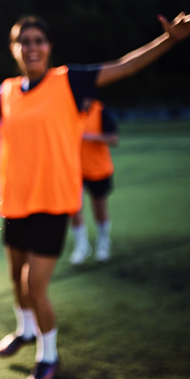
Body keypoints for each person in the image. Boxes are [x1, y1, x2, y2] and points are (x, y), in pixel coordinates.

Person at [0, 12, 190, 379]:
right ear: (15, 49)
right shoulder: (9, 90)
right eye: (23, 41)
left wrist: (169, 40)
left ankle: (49, 355)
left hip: (54, 204)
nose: (32, 47)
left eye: (38, 40)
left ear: (49, 47)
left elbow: (124, 67)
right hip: (17, 203)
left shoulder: (68, 81)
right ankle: (25, 330)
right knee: (15, 278)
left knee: (33, 286)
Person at [69, 99, 119, 265]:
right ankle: (82, 245)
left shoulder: (100, 110)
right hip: (75, 170)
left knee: (100, 209)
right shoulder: (69, 109)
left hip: (99, 169)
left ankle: (103, 243)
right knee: (74, 208)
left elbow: (114, 139)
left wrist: (88, 136)